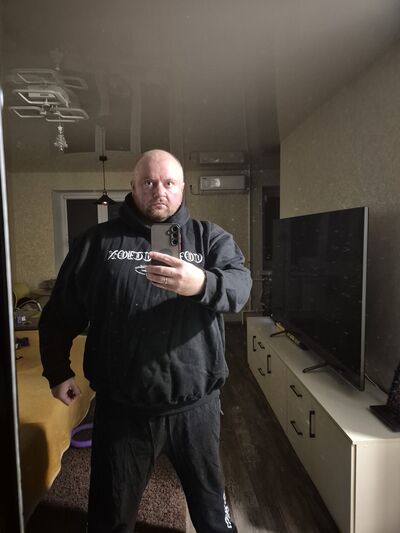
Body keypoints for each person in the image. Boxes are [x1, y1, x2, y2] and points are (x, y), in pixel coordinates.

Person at [39, 149, 252, 533]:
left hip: (195, 409)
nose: (159, 191)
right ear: (133, 186)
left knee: (212, 517)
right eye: (149, 182)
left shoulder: (209, 238)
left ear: (183, 187)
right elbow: (60, 312)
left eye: (169, 182)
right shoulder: (96, 243)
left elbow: (240, 288)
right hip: (122, 411)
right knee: (110, 518)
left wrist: (202, 283)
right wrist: (57, 370)